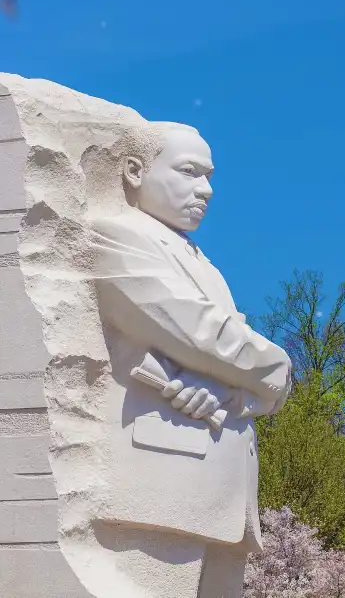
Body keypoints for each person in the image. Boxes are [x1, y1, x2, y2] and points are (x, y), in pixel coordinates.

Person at [88, 121, 293, 598]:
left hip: (222, 493)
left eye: (209, 176)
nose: (206, 190)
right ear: (135, 171)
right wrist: (278, 368)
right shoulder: (116, 235)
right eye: (188, 172)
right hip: (161, 483)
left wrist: (229, 391)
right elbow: (204, 334)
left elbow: (222, 359)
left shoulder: (204, 264)